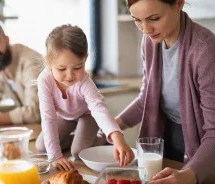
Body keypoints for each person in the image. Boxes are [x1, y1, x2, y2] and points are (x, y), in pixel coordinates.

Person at [115, 0, 215, 183]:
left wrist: (188, 176)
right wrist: (112, 127)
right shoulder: (150, 42)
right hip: (164, 136)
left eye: (154, 18)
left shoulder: (206, 50)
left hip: (203, 146)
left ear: (179, 3)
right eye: (137, 19)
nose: (145, 29)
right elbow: (147, 99)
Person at [35, 24, 135, 171]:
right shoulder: (44, 80)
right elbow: (48, 118)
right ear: (49, 62)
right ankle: (78, 139)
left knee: (78, 151)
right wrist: (55, 156)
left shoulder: (84, 83)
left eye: (77, 67)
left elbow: (99, 110)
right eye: (62, 69)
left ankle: (102, 137)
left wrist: (117, 138)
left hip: (88, 115)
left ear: (86, 59)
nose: (70, 75)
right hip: (65, 115)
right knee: (42, 146)